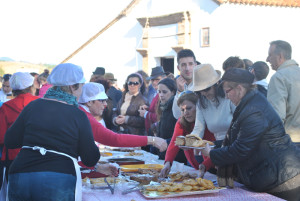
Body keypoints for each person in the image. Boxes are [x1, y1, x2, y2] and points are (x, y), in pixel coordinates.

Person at [4, 63, 103, 201]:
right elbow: (90, 158)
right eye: (81, 86)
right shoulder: (78, 115)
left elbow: (10, 140)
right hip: (58, 178)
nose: (82, 91)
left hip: (21, 173)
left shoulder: (33, 106)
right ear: (72, 87)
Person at [202, 68, 300, 201]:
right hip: (274, 174)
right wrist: (212, 145)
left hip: (282, 178)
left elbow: (241, 149)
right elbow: (238, 139)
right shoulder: (250, 104)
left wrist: (211, 153)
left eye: (227, 91)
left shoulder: (254, 111)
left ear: (240, 89)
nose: (226, 96)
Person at [78, 82, 167, 151]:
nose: (105, 104)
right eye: (101, 100)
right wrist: (152, 140)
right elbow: (114, 139)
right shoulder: (84, 116)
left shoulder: (82, 113)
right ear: (89, 102)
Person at [189, 64, 235, 176]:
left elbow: (239, 126)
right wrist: (190, 141)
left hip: (234, 147)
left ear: (216, 84)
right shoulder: (201, 103)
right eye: (200, 91)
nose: (204, 93)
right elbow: (198, 128)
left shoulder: (229, 98)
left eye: (207, 89)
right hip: (217, 149)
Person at [160, 92, 214, 177]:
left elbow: (214, 147)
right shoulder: (181, 122)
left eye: (189, 108)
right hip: (194, 164)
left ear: (198, 107)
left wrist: (205, 165)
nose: (186, 113)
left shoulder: (209, 122)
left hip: (213, 163)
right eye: (182, 110)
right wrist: (168, 163)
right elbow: (174, 143)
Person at [266, 40, 300, 145]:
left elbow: (276, 117)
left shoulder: (278, 77)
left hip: (291, 142)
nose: (267, 59)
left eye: (270, 55)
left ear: (280, 56)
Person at [151, 78, 185, 162]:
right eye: (159, 92)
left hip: (177, 156)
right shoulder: (163, 107)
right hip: (164, 153)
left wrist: (165, 141)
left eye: (164, 92)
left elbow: (182, 134)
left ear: (173, 92)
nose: (161, 95)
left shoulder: (176, 108)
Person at [138, 66, 167, 134]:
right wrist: (148, 108)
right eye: (152, 80)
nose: (154, 82)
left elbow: (161, 116)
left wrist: (145, 113)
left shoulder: (165, 94)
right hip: (153, 132)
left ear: (164, 78)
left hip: (159, 133)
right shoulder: (156, 92)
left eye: (157, 80)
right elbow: (156, 110)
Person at [172, 49, 198, 119]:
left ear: (195, 65)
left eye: (190, 64)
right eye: (183, 65)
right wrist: (180, 91)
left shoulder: (203, 84)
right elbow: (177, 115)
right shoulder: (177, 86)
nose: (187, 68)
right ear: (178, 68)